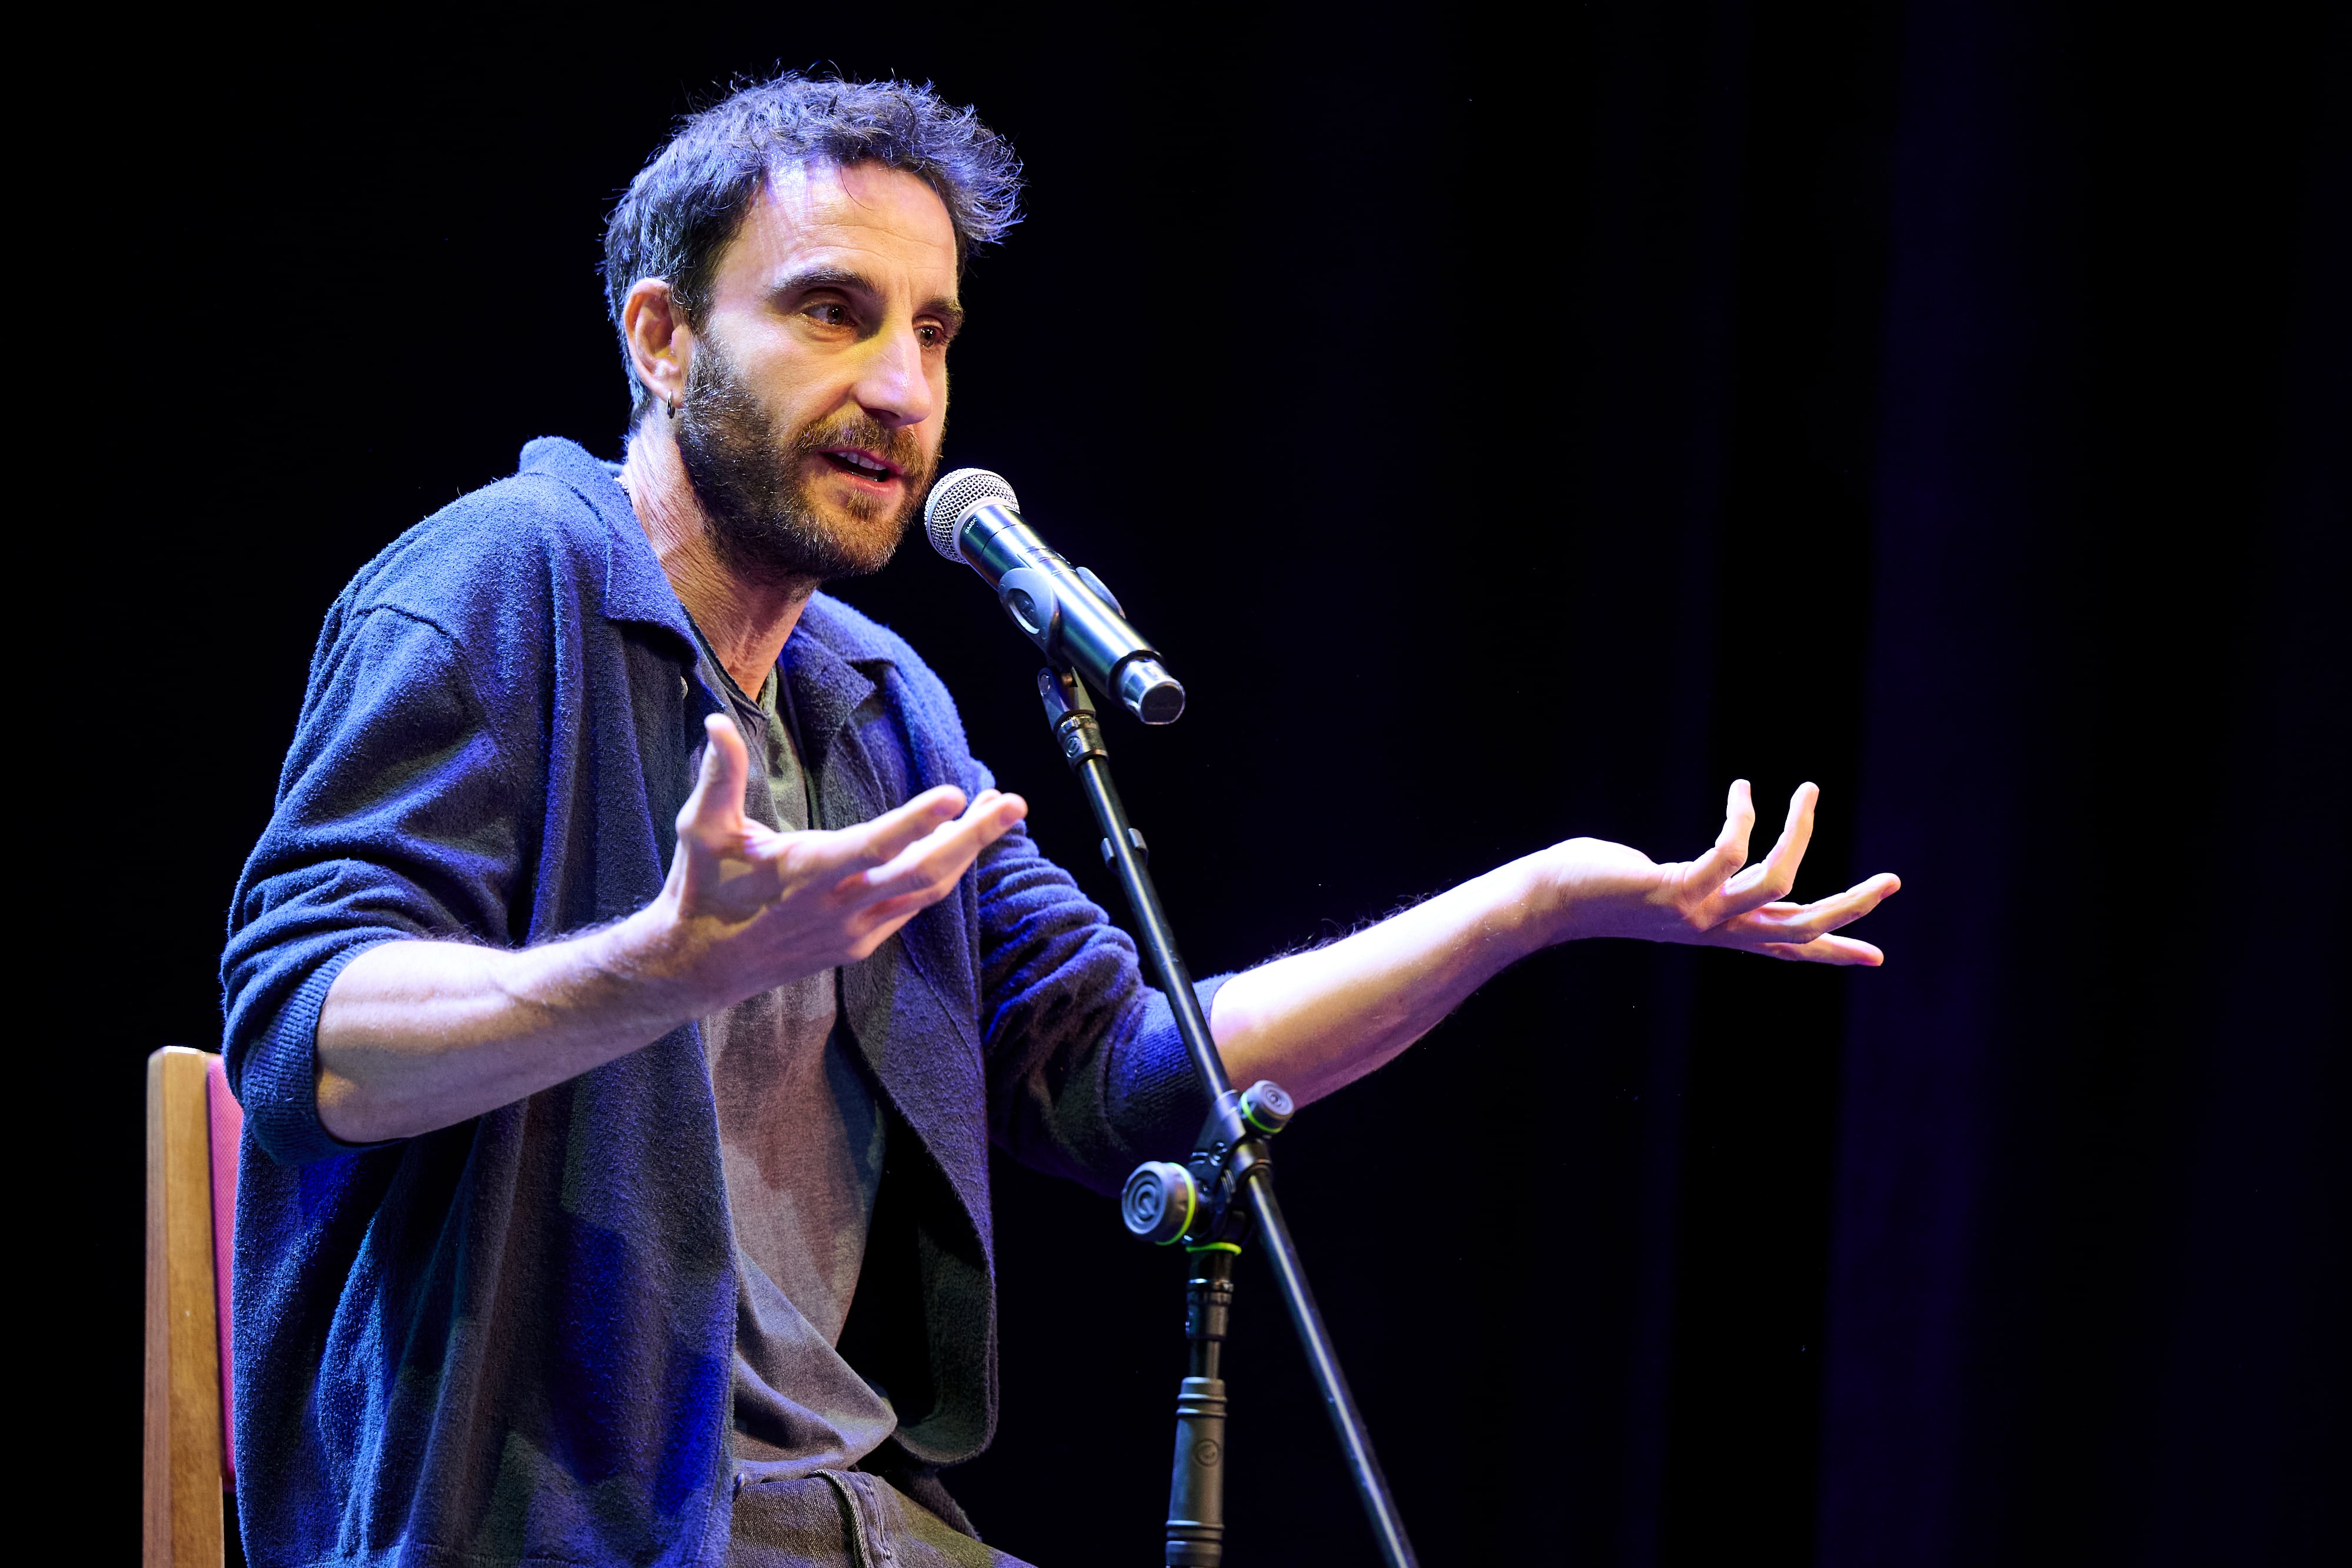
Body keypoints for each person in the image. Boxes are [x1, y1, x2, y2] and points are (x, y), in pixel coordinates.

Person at [220, 73, 1899, 1568]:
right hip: (551, 1526)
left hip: (858, 1525)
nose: (901, 386)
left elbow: (1126, 1079)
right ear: (662, 340)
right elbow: (303, 1038)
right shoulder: (498, 585)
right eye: (832, 313)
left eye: (935, 332)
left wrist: (1531, 904)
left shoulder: (885, 707)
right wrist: (660, 965)